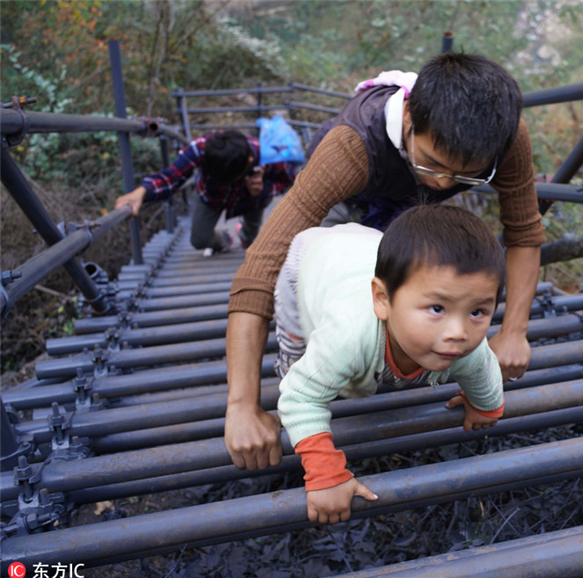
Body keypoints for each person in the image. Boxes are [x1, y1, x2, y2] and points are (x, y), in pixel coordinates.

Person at [225, 52, 545, 472]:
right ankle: (328, 364)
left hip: (412, 208)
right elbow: (261, 268)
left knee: (420, 289)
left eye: (465, 175)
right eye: (434, 162)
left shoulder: (504, 133)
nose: (445, 182)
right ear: (410, 115)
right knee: (329, 270)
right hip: (349, 201)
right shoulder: (349, 147)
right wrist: (243, 404)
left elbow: (523, 230)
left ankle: (395, 358)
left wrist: (515, 331)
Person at [277, 204, 506, 524]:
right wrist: (326, 473)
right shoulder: (348, 334)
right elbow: (300, 397)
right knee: (296, 351)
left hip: (367, 247)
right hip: (311, 260)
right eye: (437, 308)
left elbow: (485, 371)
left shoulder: (468, 344)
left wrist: (485, 406)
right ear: (383, 300)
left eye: (478, 312)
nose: (459, 333)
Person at [115, 130, 296, 252]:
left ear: (248, 162)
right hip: (212, 196)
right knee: (199, 241)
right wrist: (141, 192)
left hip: (251, 200)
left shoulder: (266, 156)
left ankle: (244, 234)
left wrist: (263, 189)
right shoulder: (201, 149)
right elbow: (171, 177)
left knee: (250, 241)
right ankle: (225, 240)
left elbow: (289, 180)